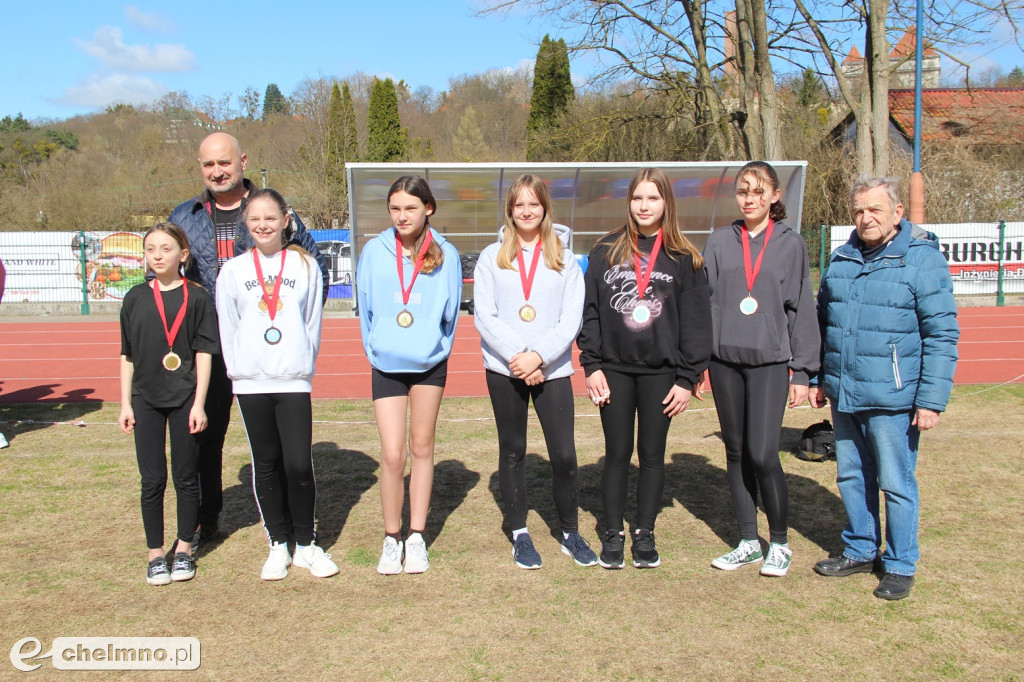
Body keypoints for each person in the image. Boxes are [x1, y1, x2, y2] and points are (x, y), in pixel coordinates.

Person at [168, 132, 329, 549]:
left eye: (224, 162)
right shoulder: (184, 216)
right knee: (202, 437)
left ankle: (291, 523)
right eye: (208, 164)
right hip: (203, 347)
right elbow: (163, 277)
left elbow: (315, 271)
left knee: (283, 449)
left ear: (242, 162)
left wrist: (292, 333)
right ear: (200, 167)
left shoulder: (270, 209)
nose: (217, 171)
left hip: (263, 348)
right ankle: (203, 522)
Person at [810, 175, 958, 601]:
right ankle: (860, 548)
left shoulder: (922, 260)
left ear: (897, 212)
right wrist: (820, 377)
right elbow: (823, 323)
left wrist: (930, 401)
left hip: (894, 398)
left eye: (875, 209)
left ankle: (900, 563)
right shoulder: (841, 258)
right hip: (845, 392)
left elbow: (941, 333)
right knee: (851, 475)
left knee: (896, 482)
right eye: (858, 210)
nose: (866, 218)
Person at [578, 167, 712, 569]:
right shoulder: (606, 250)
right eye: (638, 198)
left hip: (661, 374)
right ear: (629, 202)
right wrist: (591, 365)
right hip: (613, 370)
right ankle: (612, 532)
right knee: (616, 453)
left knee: (652, 455)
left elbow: (696, 323)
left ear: (666, 202)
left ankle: (645, 531)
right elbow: (590, 312)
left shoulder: (685, 257)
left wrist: (687, 378)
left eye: (653, 198)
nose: (644, 206)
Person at [702, 161, 820, 577]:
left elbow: (801, 307)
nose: (749, 198)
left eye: (758, 191)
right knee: (735, 452)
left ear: (774, 196)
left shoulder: (790, 243)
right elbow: (704, 303)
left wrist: (803, 371)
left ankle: (780, 543)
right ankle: (749, 542)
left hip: (768, 363)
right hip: (723, 362)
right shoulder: (719, 241)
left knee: (764, 453)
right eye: (743, 191)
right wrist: (696, 364)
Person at [473, 174, 596, 569]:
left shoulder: (565, 258)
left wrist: (539, 357)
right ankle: (520, 534)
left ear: (545, 208)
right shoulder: (492, 256)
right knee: (513, 451)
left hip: (552, 369)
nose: (526, 211)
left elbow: (571, 318)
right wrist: (520, 357)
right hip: (504, 368)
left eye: (534, 204)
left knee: (565, 455)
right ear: (510, 210)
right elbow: (485, 315)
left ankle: (570, 533)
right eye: (519, 205)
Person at [215, 188, 336, 580]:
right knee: (265, 462)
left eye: (270, 218)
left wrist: (302, 364)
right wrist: (238, 369)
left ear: (286, 221)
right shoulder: (232, 272)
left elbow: (312, 322)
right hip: (251, 380)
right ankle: (278, 544)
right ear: (245, 223)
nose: (263, 225)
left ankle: (307, 544)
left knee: (298, 463)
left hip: (292, 378)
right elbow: (228, 326)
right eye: (255, 219)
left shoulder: (305, 266)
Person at [357, 176, 462, 575]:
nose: (402, 216)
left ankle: (416, 537)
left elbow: (451, 314)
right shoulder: (374, 251)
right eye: (395, 208)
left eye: (411, 208)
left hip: (429, 364)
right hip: (386, 364)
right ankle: (391, 538)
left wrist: (436, 346)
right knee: (392, 453)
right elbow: (365, 308)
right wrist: (376, 348)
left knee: (421, 447)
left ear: (428, 208)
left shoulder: (446, 253)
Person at [118, 223, 219, 585]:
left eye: (166, 248)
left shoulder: (198, 297)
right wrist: (125, 403)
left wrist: (200, 403)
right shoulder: (134, 298)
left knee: (185, 476)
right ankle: (155, 554)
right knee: (152, 479)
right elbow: (127, 355)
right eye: (151, 249)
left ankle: (184, 549)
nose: (157, 256)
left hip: (185, 399)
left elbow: (204, 353)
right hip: (145, 399)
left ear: (183, 254)